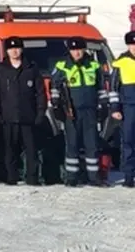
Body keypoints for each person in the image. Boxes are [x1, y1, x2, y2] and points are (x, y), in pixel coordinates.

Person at [51, 37, 115, 187]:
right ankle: (71, 177)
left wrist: (103, 106)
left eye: (79, 49)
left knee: (91, 144)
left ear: (84, 50)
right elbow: (54, 88)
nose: (77, 53)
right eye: (74, 50)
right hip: (71, 111)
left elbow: (101, 88)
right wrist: (56, 107)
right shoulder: (62, 66)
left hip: (90, 111)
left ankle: (94, 177)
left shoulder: (93, 65)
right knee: (72, 144)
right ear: (69, 51)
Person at [0, 36, 46, 186]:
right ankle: (11, 177)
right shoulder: (1, 69)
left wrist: (40, 113)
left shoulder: (31, 69)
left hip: (28, 117)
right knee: (9, 150)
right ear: (7, 51)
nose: (14, 51)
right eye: (11, 49)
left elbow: (40, 93)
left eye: (17, 48)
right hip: (8, 118)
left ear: (22, 49)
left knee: (31, 150)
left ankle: (32, 178)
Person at [110, 30, 135, 187]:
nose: (134, 47)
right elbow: (114, 86)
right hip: (128, 106)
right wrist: (115, 108)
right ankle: (129, 175)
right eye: (132, 44)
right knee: (128, 142)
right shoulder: (121, 61)